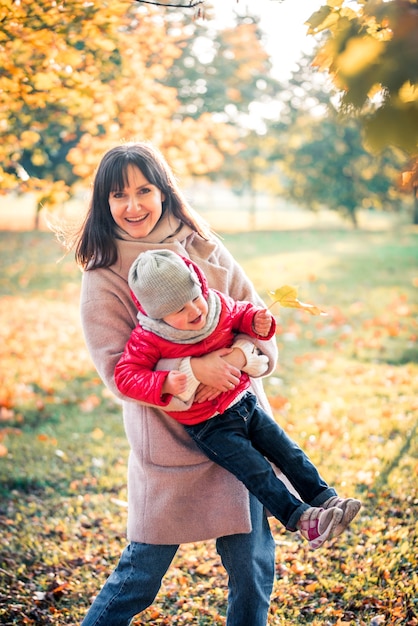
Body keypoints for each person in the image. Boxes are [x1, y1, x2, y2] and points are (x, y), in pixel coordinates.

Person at [72, 142, 358, 626]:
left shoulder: (203, 245)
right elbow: (116, 370)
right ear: (104, 203)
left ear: (164, 191)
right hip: (172, 438)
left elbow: (253, 316)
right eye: (119, 195)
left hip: (240, 424)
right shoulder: (104, 276)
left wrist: (240, 354)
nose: (134, 205)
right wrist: (191, 373)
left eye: (145, 190)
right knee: (141, 572)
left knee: (251, 567)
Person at [115, 248, 361, 551]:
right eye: (179, 310)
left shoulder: (217, 306)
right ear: (157, 314)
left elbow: (243, 314)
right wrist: (164, 380)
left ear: (201, 287)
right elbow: (126, 376)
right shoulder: (150, 337)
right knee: (256, 470)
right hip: (210, 427)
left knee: (288, 452)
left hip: (244, 403)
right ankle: (304, 520)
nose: (194, 310)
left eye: (195, 297)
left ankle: (326, 498)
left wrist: (258, 322)